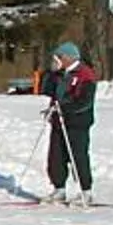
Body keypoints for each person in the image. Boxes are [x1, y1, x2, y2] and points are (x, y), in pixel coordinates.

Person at [39, 40, 97, 204]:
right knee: (56, 156)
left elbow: (85, 101)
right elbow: (47, 91)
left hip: (77, 123)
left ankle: (86, 191)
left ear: (69, 57)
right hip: (59, 122)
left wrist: (66, 109)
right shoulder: (59, 74)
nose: (56, 60)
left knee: (78, 156)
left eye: (59, 57)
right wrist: (50, 74)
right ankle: (59, 189)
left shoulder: (85, 74)